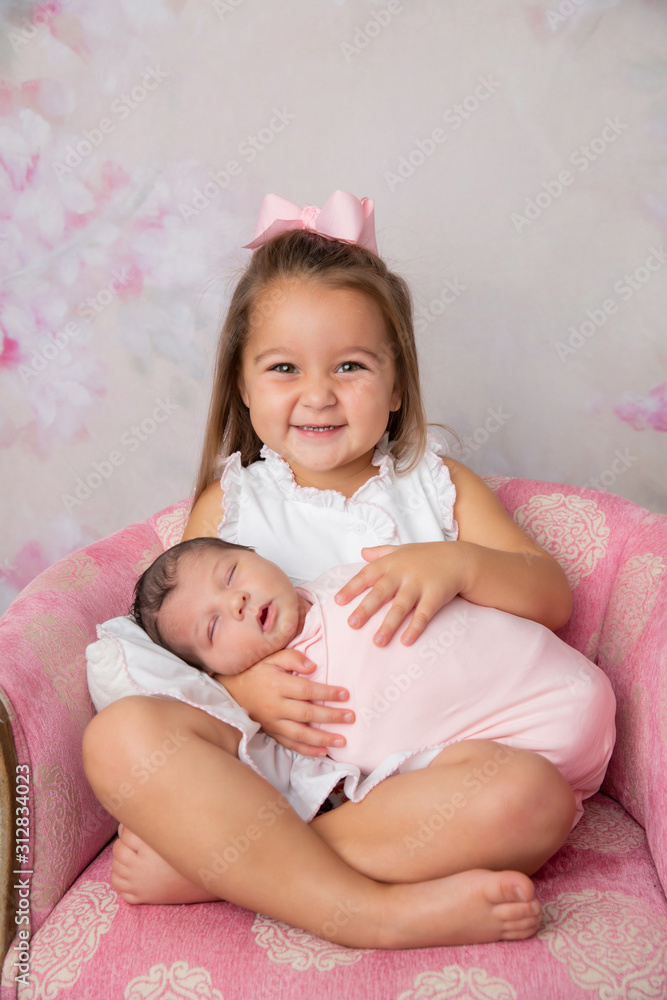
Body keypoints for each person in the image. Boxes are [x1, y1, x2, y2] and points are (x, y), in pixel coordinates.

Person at [82, 190, 583, 950]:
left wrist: (460, 563)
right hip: (276, 774)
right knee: (119, 735)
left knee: (531, 801)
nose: (317, 394)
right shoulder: (232, 503)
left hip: (422, 776)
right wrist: (241, 683)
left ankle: (231, 867)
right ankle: (371, 915)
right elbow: (178, 649)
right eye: (284, 368)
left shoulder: (435, 484)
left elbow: (550, 597)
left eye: (350, 366)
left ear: (395, 384)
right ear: (244, 388)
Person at [130, 535, 615, 827]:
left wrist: (447, 560)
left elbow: (483, 592)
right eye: (213, 627)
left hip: (556, 685)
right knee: (481, 803)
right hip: (506, 772)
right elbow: (299, 791)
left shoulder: (351, 576)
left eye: (231, 573)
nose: (233, 602)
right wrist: (238, 695)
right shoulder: (276, 714)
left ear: (257, 552)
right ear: (212, 671)